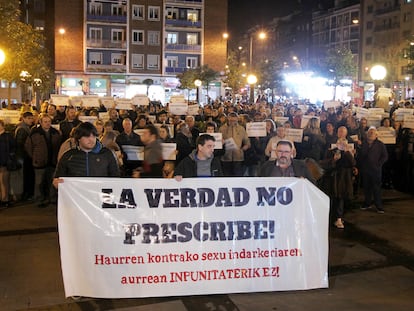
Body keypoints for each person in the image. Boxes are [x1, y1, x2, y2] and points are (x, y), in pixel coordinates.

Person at [53, 122, 120, 189]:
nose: (91, 139)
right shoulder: (68, 156)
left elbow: (116, 178)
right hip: (76, 197)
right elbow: (57, 178)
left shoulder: (107, 154)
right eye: (87, 136)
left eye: (93, 136)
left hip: (100, 196)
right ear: (79, 138)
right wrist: (56, 183)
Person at [25, 113, 62, 207]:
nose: (47, 123)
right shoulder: (34, 133)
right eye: (45, 122)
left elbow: (59, 146)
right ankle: (39, 200)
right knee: (39, 182)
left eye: (49, 121)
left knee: (52, 181)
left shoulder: (55, 133)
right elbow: (28, 147)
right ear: (40, 122)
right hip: (39, 163)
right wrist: (35, 157)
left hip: (52, 162)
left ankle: (52, 199)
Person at [320, 138, 356, 229]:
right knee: (331, 199)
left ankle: (339, 218)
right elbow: (324, 163)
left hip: (343, 180)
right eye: (340, 143)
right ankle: (328, 218)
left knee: (340, 199)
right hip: (332, 179)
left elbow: (353, 163)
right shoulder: (330, 152)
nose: (342, 145)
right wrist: (333, 160)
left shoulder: (348, 153)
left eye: (344, 143)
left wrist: (348, 152)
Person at [358, 127, 388, 213]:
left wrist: (379, 164)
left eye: (372, 133)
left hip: (376, 170)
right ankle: (367, 203)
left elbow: (385, 156)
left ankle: (379, 206)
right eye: (369, 133)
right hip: (365, 170)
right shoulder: (363, 144)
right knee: (367, 188)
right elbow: (360, 156)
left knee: (376, 188)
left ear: (376, 135)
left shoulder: (380, 144)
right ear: (366, 134)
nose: (371, 134)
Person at [219, 112, 250, 176]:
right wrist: (220, 142)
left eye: (234, 121)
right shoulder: (222, 129)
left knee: (238, 177)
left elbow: (247, 141)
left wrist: (244, 148)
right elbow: (217, 141)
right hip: (226, 157)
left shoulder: (241, 129)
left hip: (238, 157)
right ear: (228, 119)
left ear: (237, 119)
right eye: (231, 121)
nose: (232, 122)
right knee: (227, 177)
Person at [15, 111, 35, 201]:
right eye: (29, 118)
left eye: (32, 118)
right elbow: (20, 145)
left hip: (25, 156)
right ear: (24, 118)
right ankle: (26, 195)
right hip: (24, 157)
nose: (31, 120)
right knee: (26, 176)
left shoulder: (26, 127)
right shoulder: (22, 129)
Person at [0, 119, 16, 208]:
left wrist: (10, 158)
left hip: (5, 162)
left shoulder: (7, 136)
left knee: (4, 182)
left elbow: (13, 148)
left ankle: (5, 199)